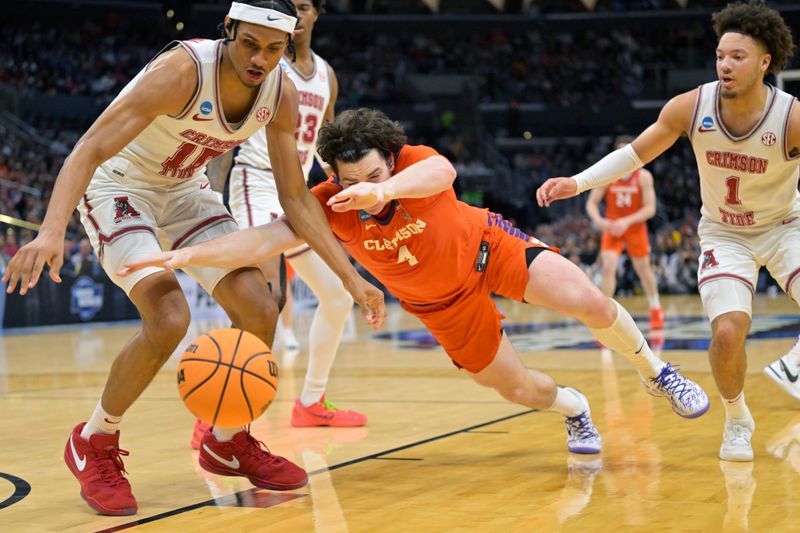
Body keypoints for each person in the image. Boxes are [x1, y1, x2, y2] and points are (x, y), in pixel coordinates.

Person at [121, 108, 711, 462]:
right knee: (521, 390)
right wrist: (186, 253)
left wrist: (385, 191)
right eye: (352, 179)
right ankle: (576, 409)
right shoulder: (327, 203)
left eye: (373, 172)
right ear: (332, 176)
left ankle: (657, 372)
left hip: (489, 248)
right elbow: (261, 242)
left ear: (390, 158)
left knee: (589, 298)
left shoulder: (413, 163)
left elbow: (444, 172)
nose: (364, 184)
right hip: (441, 306)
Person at [1, 0, 385, 516]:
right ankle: (93, 440)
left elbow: (295, 197)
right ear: (228, 30)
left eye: (273, 49)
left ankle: (226, 439)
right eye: (249, 44)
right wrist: (51, 230)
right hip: (119, 187)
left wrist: (350, 277)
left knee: (258, 306)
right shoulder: (182, 70)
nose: (259, 59)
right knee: (169, 318)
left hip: (186, 192)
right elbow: (88, 149)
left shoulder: (280, 91)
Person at [536, 1, 799, 462]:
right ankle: (738, 420)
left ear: (765, 61)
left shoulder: (791, 117)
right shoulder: (691, 106)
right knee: (727, 334)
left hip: (784, 226)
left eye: (738, 56)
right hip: (724, 234)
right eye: (720, 54)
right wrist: (576, 183)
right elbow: (633, 156)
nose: (725, 64)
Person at [212, 0, 365, 444]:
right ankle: (218, 409)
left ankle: (312, 402)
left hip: (296, 192)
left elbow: (328, 141)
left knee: (337, 296)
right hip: (255, 181)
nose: (296, 18)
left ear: (315, 14)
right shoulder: (263, 65)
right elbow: (227, 131)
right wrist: (211, 193)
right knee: (264, 298)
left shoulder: (326, 75)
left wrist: (345, 184)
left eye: (302, 7)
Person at [585, 135, 664, 329]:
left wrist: (626, 221)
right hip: (612, 227)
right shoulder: (608, 175)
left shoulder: (643, 176)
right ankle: (604, 314)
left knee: (643, 269)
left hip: (634, 227)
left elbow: (650, 209)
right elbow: (591, 204)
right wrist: (600, 221)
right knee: (608, 267)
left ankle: (655, 306)